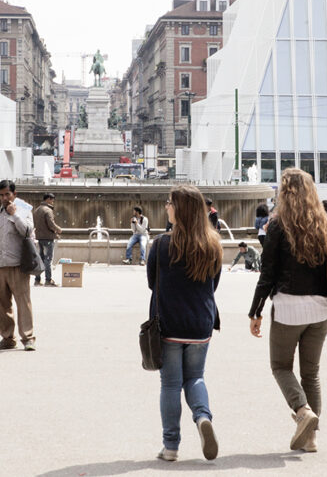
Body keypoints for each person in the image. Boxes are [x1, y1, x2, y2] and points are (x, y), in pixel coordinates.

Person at [248, 168, 327, 453]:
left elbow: (267, 273)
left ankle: (302, 411)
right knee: (312, 373)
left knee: (281, 366)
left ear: (284, 194)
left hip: (288, 309)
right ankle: (311, 439)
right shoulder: (324, 224)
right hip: (320, 310)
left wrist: (256, 312)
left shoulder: (278, 225)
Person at [148, 184, 222, 462]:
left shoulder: (162, 245)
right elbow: (214, 285)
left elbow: (151, 283)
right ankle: (203, 417)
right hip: (200, 324)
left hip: (169, 324)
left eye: (169, 202)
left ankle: (171, 446)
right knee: (196, 377)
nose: (166, 207)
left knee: (170, 385)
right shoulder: (212, 243)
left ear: (179, 209)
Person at [0, 180, 37, 351]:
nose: (4, 198)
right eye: (1, 195)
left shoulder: (24, 212)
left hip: (18, 265)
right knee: (2, 304)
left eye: (7, 194)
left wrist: (14, 215)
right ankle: (7, 338)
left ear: (14, 194)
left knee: (23, 302)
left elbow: (27, 231)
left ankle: (28, 338)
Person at [33, 193, 62, 286]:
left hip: (40, 237)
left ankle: (37, 280)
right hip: (48, 238)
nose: (53, 202)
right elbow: (51, 224)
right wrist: (58, 229)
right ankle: (48, 280)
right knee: (48, 260)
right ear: (48, 199)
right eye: (52, 200)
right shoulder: (48, 210)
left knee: (40, 259)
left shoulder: (37, 210)